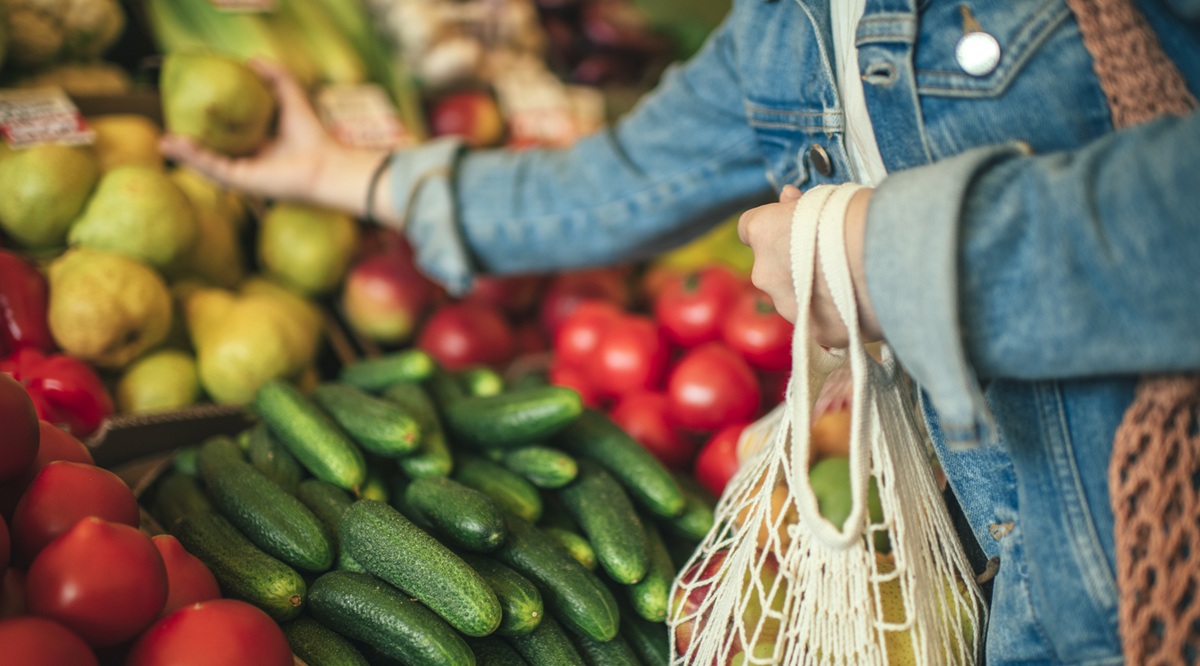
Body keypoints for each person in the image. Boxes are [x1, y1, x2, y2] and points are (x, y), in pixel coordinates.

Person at [162, 1, 1200, 663]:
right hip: (1000, 600)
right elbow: (608, 185)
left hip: (1153, 566)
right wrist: (339, 174)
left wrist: (889, 253)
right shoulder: (780, 29)